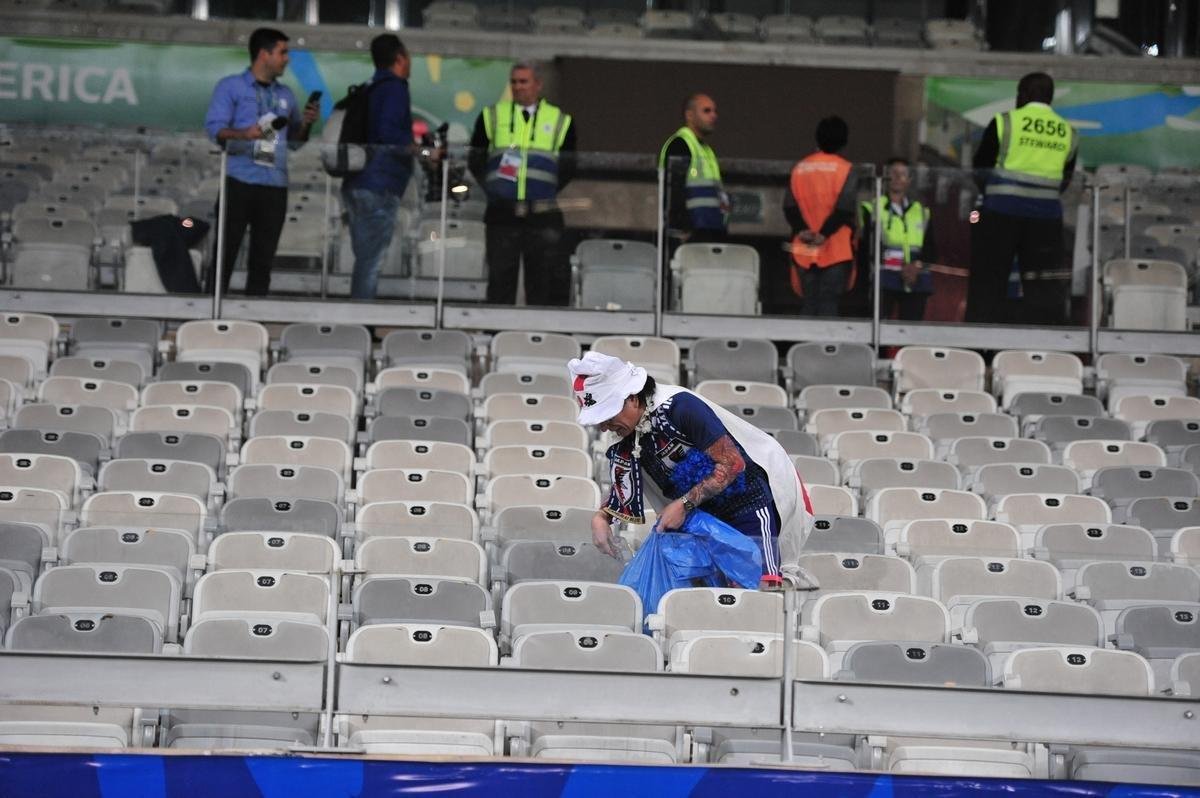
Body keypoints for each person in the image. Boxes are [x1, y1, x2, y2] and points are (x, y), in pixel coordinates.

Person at [569, 351, 815, 590]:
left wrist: (684, 503)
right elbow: (624, 488)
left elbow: (732, 463)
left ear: (632, 397)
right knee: (712, 600)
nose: (604, 427)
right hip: (702, 521)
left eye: (608, 415)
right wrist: (602, 517)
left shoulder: (681, 407)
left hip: (747, 507)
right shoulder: (625, 436)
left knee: (761, 593)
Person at [204, 27, 318, 296]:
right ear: (264, 54)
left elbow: (294, 142)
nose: (287, 59)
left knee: (263, 259)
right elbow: (215, 130)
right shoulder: (231, 86)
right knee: (225, 253)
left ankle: (254, 313)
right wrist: (245, 134)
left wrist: (306, 125)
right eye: (283, 52)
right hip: (239, 180)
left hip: (275, 184)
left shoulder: (286, 94)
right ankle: (209, 310)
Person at [968, 71, 1078, 325]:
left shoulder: (1005, 122)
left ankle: (978, 342)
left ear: (1024, 95)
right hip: (1046, 219)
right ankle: (1043, 343)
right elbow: (1066, 179)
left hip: (1000, 213)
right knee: (1042, 287)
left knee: (988, 282)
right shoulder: (1068, 132)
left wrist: (992, 191)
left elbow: (980, 168)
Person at [468, 61, 576, 306]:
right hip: (502, 210)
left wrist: (545, 191)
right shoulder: (492, 116)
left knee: (541, 280)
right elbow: (476, 159)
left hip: (541, 211)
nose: (518, 87)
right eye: (514, 82)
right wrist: (494, 189)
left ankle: (537, 328)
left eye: (524, 82)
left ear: (538, 84)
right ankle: (497, 327)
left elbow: (569, 166)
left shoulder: (560, 120)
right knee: (500, 279)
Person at [342, 34, 414, 300]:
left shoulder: (369, 87)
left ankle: (358, 313)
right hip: (379, 184)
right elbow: (388, 133)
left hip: (357, 181)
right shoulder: (394, 88)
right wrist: (417, 149)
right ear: (400, 58)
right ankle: (362, 318)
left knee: (364, 258)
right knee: (371, 262)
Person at [784, 116, 859, 317]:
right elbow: (845, 209)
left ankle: (804, 339)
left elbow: (789, 207)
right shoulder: (846, 169)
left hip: (804, 247)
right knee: (829, 304)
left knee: (809, 303)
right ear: (844, 141)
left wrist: (803, 230)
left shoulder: (800, 168)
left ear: (817, 138)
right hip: (836, 250)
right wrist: (823, 234)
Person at [858, 157, 939, 321]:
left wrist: (916, 267)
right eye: (893, 173)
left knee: (911, 330)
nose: (897, 177)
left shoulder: (921, 211)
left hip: (917, 281)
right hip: (885, 280)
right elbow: (868, 248)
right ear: (885, 178)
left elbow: (931, 249)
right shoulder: (874, 208)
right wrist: (902, 267)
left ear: (909, 180)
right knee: (880, 328)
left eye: (902, 174)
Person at [659, 93, 728, 244]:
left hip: (709, 231)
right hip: (689, 234)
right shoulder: (680, 144)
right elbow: (673, 190)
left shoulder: (706, 150)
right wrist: (681, 228)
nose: (714, 116)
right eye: (706, 111)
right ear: (689, 115)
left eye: (714, 111)